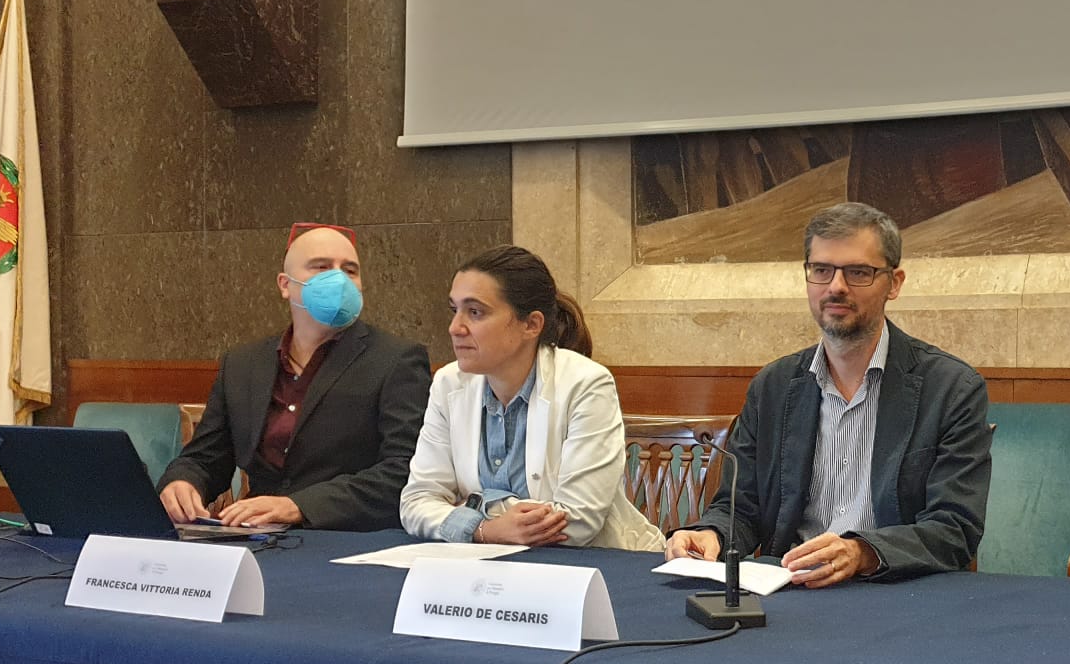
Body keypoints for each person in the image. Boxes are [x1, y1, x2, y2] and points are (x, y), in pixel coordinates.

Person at [665, 202, 992, 586]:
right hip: (789, 588)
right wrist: (712, 534)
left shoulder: (951, 389)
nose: (836, 286)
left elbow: (955, 528)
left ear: (895, 283)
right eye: (821, 270)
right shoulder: (773, 387)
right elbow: (741, 508)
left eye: (858, 272)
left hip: (894, 590)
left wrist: (862, 552)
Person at [158, 223, 430, 531]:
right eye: (321, 267)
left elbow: (404, 470)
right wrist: (183, 482)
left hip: (346, 536)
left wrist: (297, 506)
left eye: (350, 270)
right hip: (254, 534)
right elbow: (206, 457)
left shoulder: (396, 359)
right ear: (285, 284)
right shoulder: (243, 363)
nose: (339, 280)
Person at [399, 246, 664, 551]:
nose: (455, 328)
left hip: (599, 564)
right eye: (454, 310)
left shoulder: (586, 384)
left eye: (475, 312)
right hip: (490, 568)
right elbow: (416, 502)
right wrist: (486, 529)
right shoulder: (448, 383)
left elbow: (577, 523)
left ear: (531, 325)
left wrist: (468, 507)